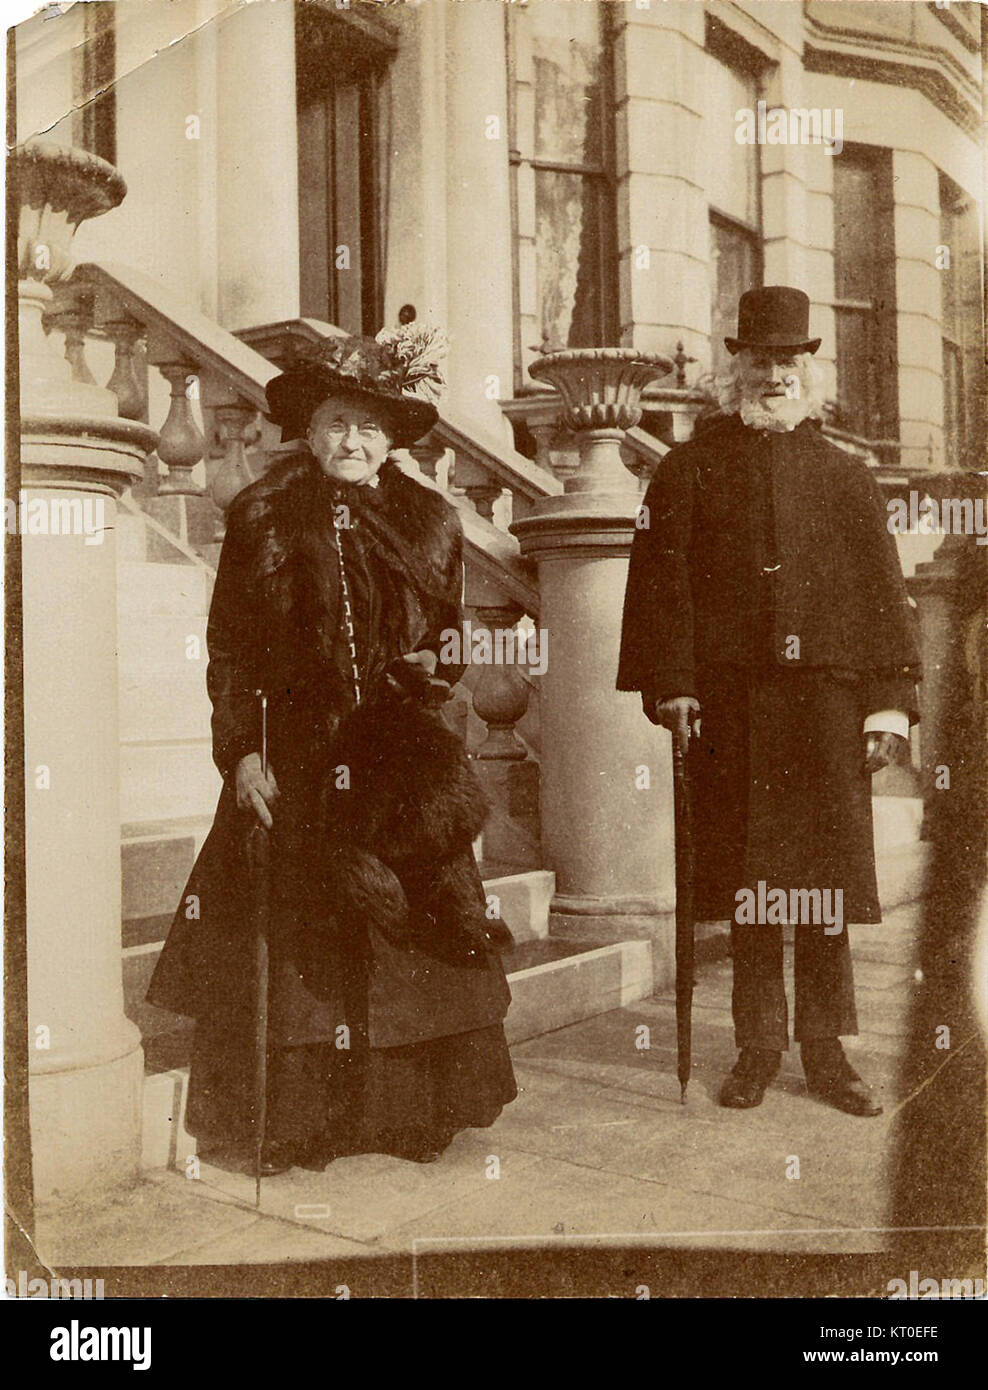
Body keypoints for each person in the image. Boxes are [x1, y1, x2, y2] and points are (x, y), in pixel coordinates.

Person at [148, 327, 517, 1172]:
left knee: (406, 934)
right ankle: (299, 1121)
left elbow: (452, 637)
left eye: (370, 429)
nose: (352, 443)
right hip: (298, 756)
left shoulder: (431, 521)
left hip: (396, 756)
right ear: (309, 431)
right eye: (337, 425)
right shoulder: (265, 515)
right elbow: (232, 650)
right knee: (305, 943)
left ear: (391, 442)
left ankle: (405, 1113)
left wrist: (434, 667)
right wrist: (241, 753)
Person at [618, 286, 922, 1115]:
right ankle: (756, 1046)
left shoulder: (849, 477)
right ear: (736, 368)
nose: (775, 375)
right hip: (733, 705)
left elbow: (883, 595)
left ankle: (826, 1052)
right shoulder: (687, 469)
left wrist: (888, 705)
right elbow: (659, 583)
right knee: (753, 881)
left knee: (818, 882)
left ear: (809, 370)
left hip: (826, 706)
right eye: (760, 361)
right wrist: (672, 684)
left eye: (789, 362)